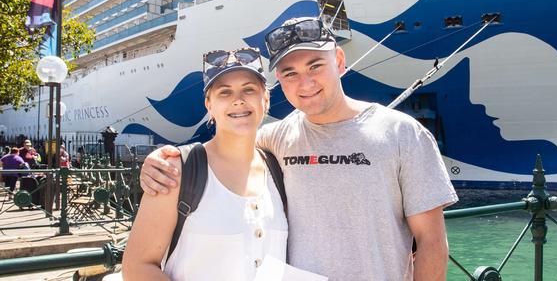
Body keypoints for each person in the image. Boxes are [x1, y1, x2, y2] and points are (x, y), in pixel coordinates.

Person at [141, 17, 458, 281]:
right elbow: (224, 149)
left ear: (339, 61)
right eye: (289, 73)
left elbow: (432, 243)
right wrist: (162, 159)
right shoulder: (274, 140)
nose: (304, 82)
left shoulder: (404, 134)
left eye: (315, 66)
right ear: (278, 81)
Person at [123, 48, 287, 281]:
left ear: (266, 99)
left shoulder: (277, 170)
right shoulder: (178, 170)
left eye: (249, 90)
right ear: (209, 105)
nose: (238, 100)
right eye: (224, 93)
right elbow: (137, 267)